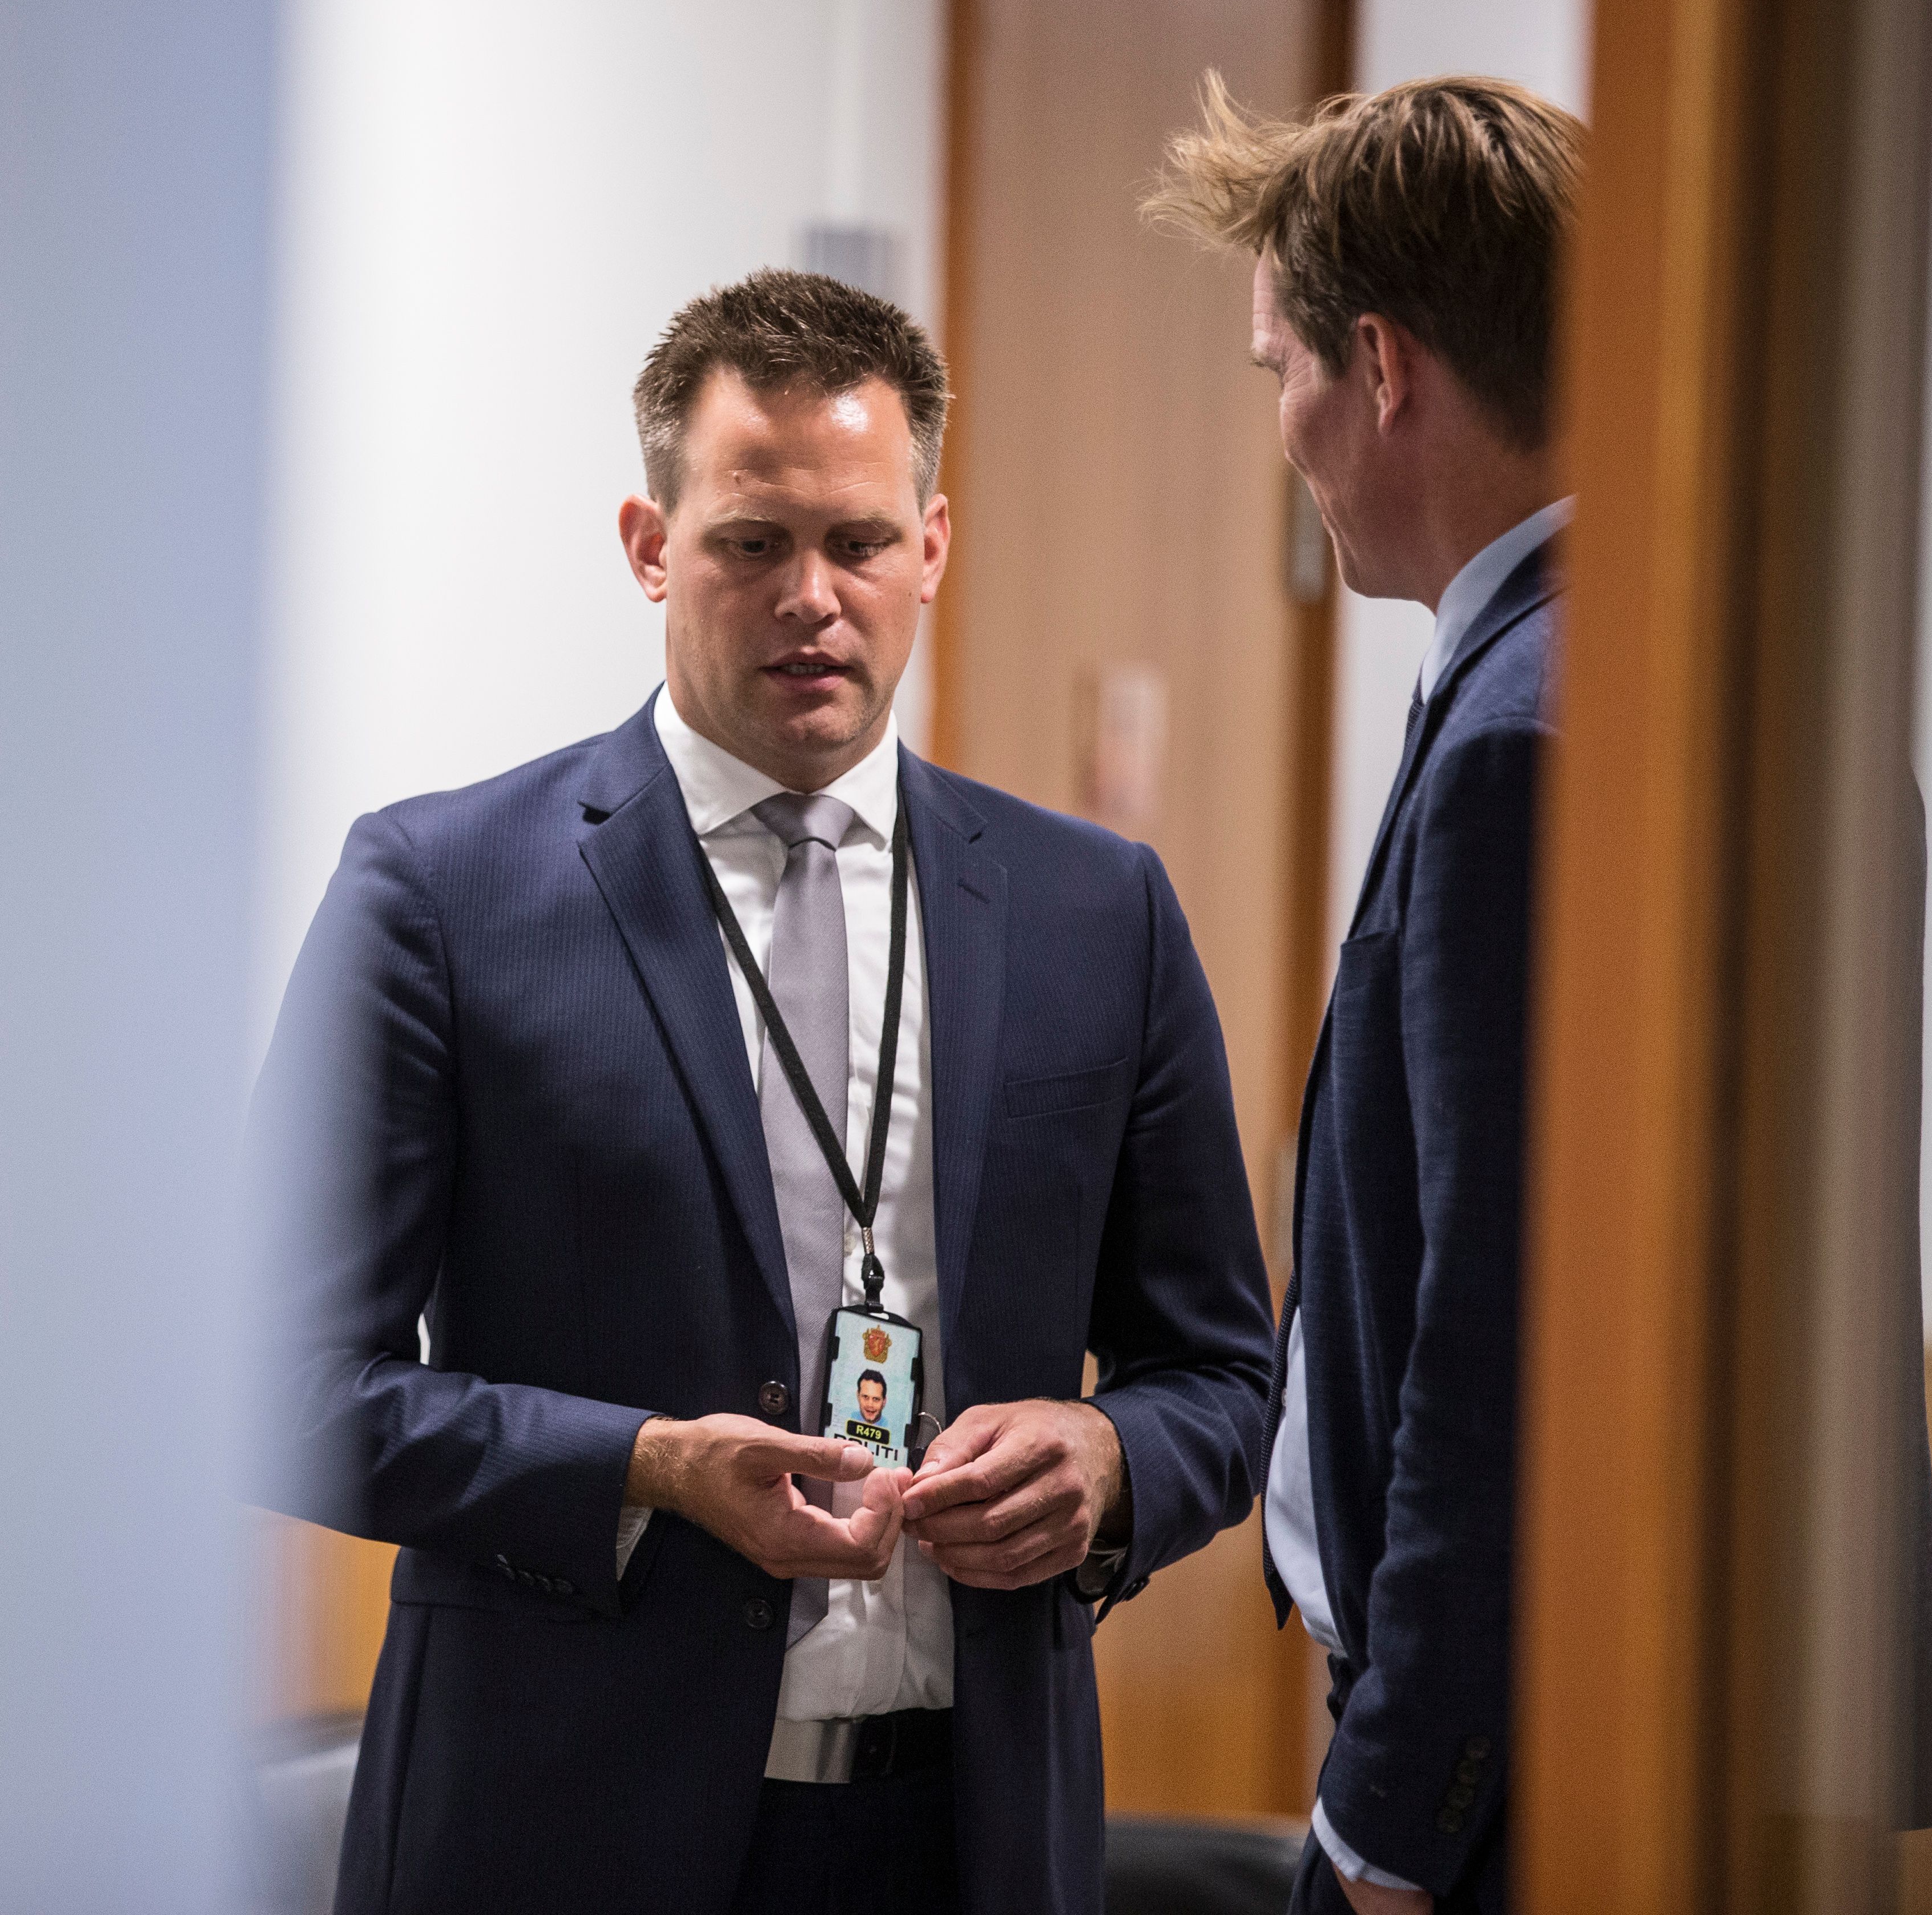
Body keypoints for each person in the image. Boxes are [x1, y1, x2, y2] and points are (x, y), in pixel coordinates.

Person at [259, 269, 1275, 1914]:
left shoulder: (1101, 913)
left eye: (859, 542)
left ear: (931, 547)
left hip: (967, 1838)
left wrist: (1107, 1455)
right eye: (752, 542)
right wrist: (646, 1467)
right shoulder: (443, 895)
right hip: (557, 1834)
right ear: (651, 546)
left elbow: (1223, 1373)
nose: (813, 596)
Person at [1146, 75, 1932, 1913]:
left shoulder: (1531, 733)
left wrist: (1391, 1815)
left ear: (1381, 366)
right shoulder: (1759, 680)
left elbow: (1503, 1338)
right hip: (1750, 1736)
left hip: (1529, 1781)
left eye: (1279, 370)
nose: (1281, 429)